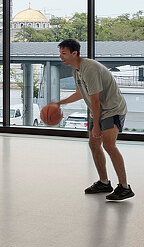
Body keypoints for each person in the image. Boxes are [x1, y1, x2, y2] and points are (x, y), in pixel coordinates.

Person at [48, 39, 134, 201]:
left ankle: (124, 187)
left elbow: (94, 100)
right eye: (60, 53)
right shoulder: (77, 70)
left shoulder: (90, 69)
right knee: (94, 144)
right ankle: (103, 182)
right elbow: (81, 93)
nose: (61, 56)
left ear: (75, 53)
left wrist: (96, 126)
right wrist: (59, 103)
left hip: (111, 109)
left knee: (109, 145)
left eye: (64, 53)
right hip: (99, 110)